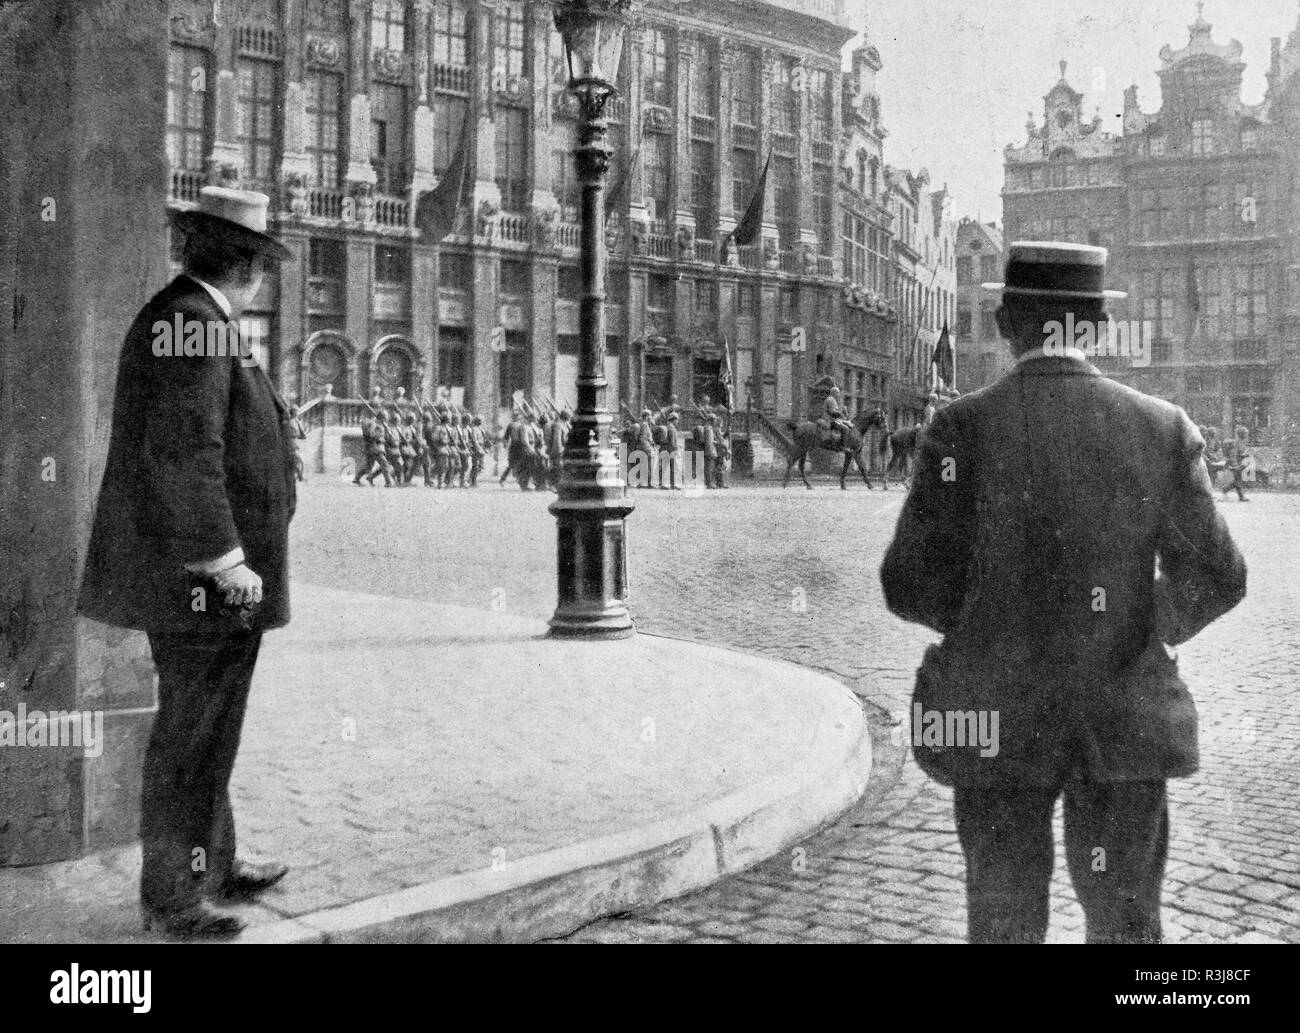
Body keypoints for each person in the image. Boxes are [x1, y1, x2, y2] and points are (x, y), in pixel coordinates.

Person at [881, 241, 1246, 944]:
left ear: (1004, 322)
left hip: (996, 718)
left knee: (1003, 919)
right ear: (1098, 327)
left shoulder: (960, 427)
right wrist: (1148, 620)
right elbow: (1221, 574)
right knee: (1126, 923)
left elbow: (908, 580)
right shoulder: (1161, 429)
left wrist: (988, 615)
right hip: (1124, 719)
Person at [78, 186, 297, 938]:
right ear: (247, 265)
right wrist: (224, 559)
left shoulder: (195, 317)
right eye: (261, 263)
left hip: (206, 579)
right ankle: (171, 897)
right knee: (192, 732)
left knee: (211, 724)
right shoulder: (194, 323)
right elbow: (183, 451)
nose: (263, 276)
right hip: (201, 581)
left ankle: (214, 863)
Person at [1221, 425, 1250, 502]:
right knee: (1237, 480)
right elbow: (1233, 455)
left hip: (1240, 464)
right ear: (1241, 434)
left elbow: (1240, 453)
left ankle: (1226, 490)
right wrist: (1235, 466)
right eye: (1245, 433)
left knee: (1237, 480)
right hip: (1236, 464)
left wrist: (1245, 454)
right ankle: (1240, 496)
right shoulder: (1236, 442)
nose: (1246, 435)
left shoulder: (1242, 442)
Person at [547, 409, 569, 491]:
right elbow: (557, 440)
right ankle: (553, 485)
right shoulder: (559, 425)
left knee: (559, 468)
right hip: (558, 450)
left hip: (563, 449)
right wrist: (560, 450)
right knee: (558, 468)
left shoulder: (564, 424)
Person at [661, 411, 681, 489]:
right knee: (674, 468)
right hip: (671, 449)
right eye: (677, 419)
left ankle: (664, 484)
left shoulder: (667, 427)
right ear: (674, 419)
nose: (678, 421)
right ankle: (673, 484)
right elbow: (672, 441)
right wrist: (676, 450)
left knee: (665, 467)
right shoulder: (672, 428)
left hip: (665, 449)